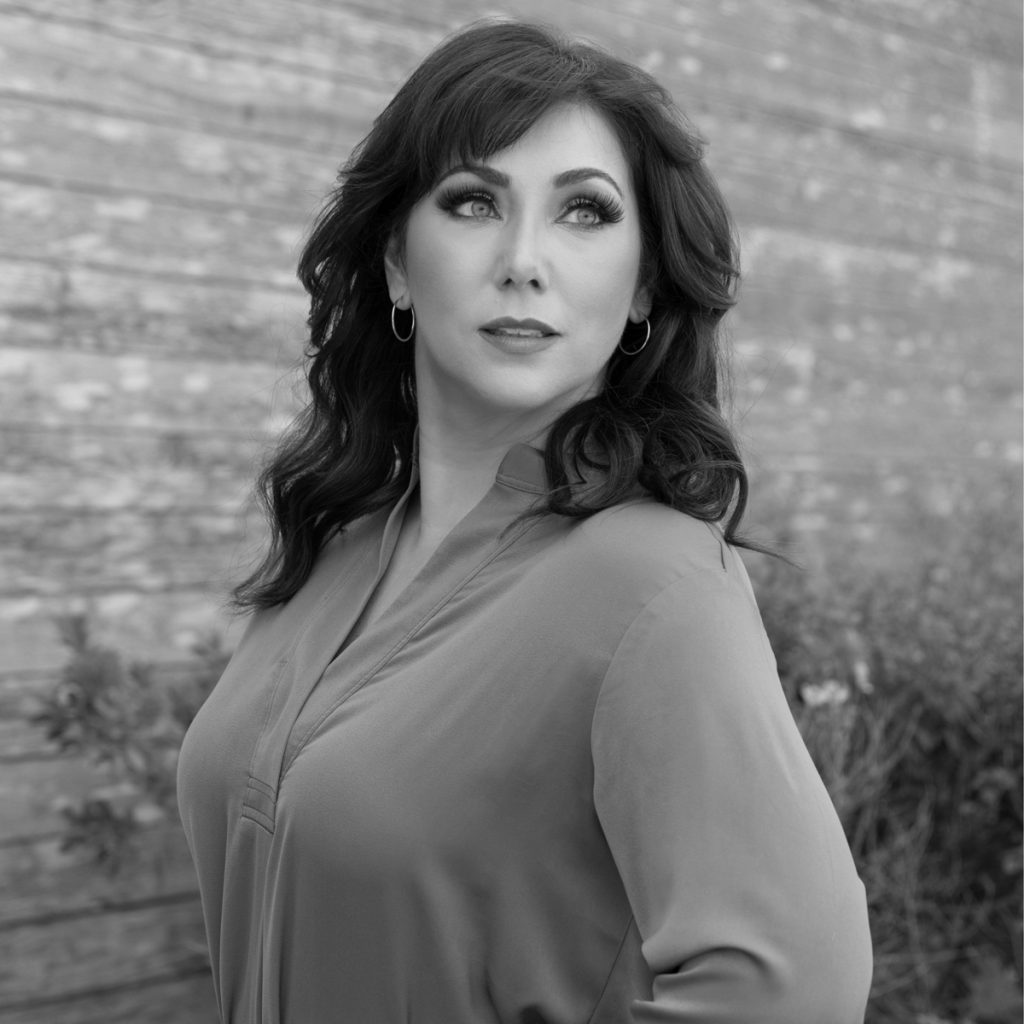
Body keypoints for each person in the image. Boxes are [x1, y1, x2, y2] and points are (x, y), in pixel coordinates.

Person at [177, 19, 873, 1024]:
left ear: (642, 287)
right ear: (397, 261)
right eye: (473, 202)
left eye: (585, 212)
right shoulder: (336, 550)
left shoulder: (653, 585)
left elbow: (791, 990)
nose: (523, 260)